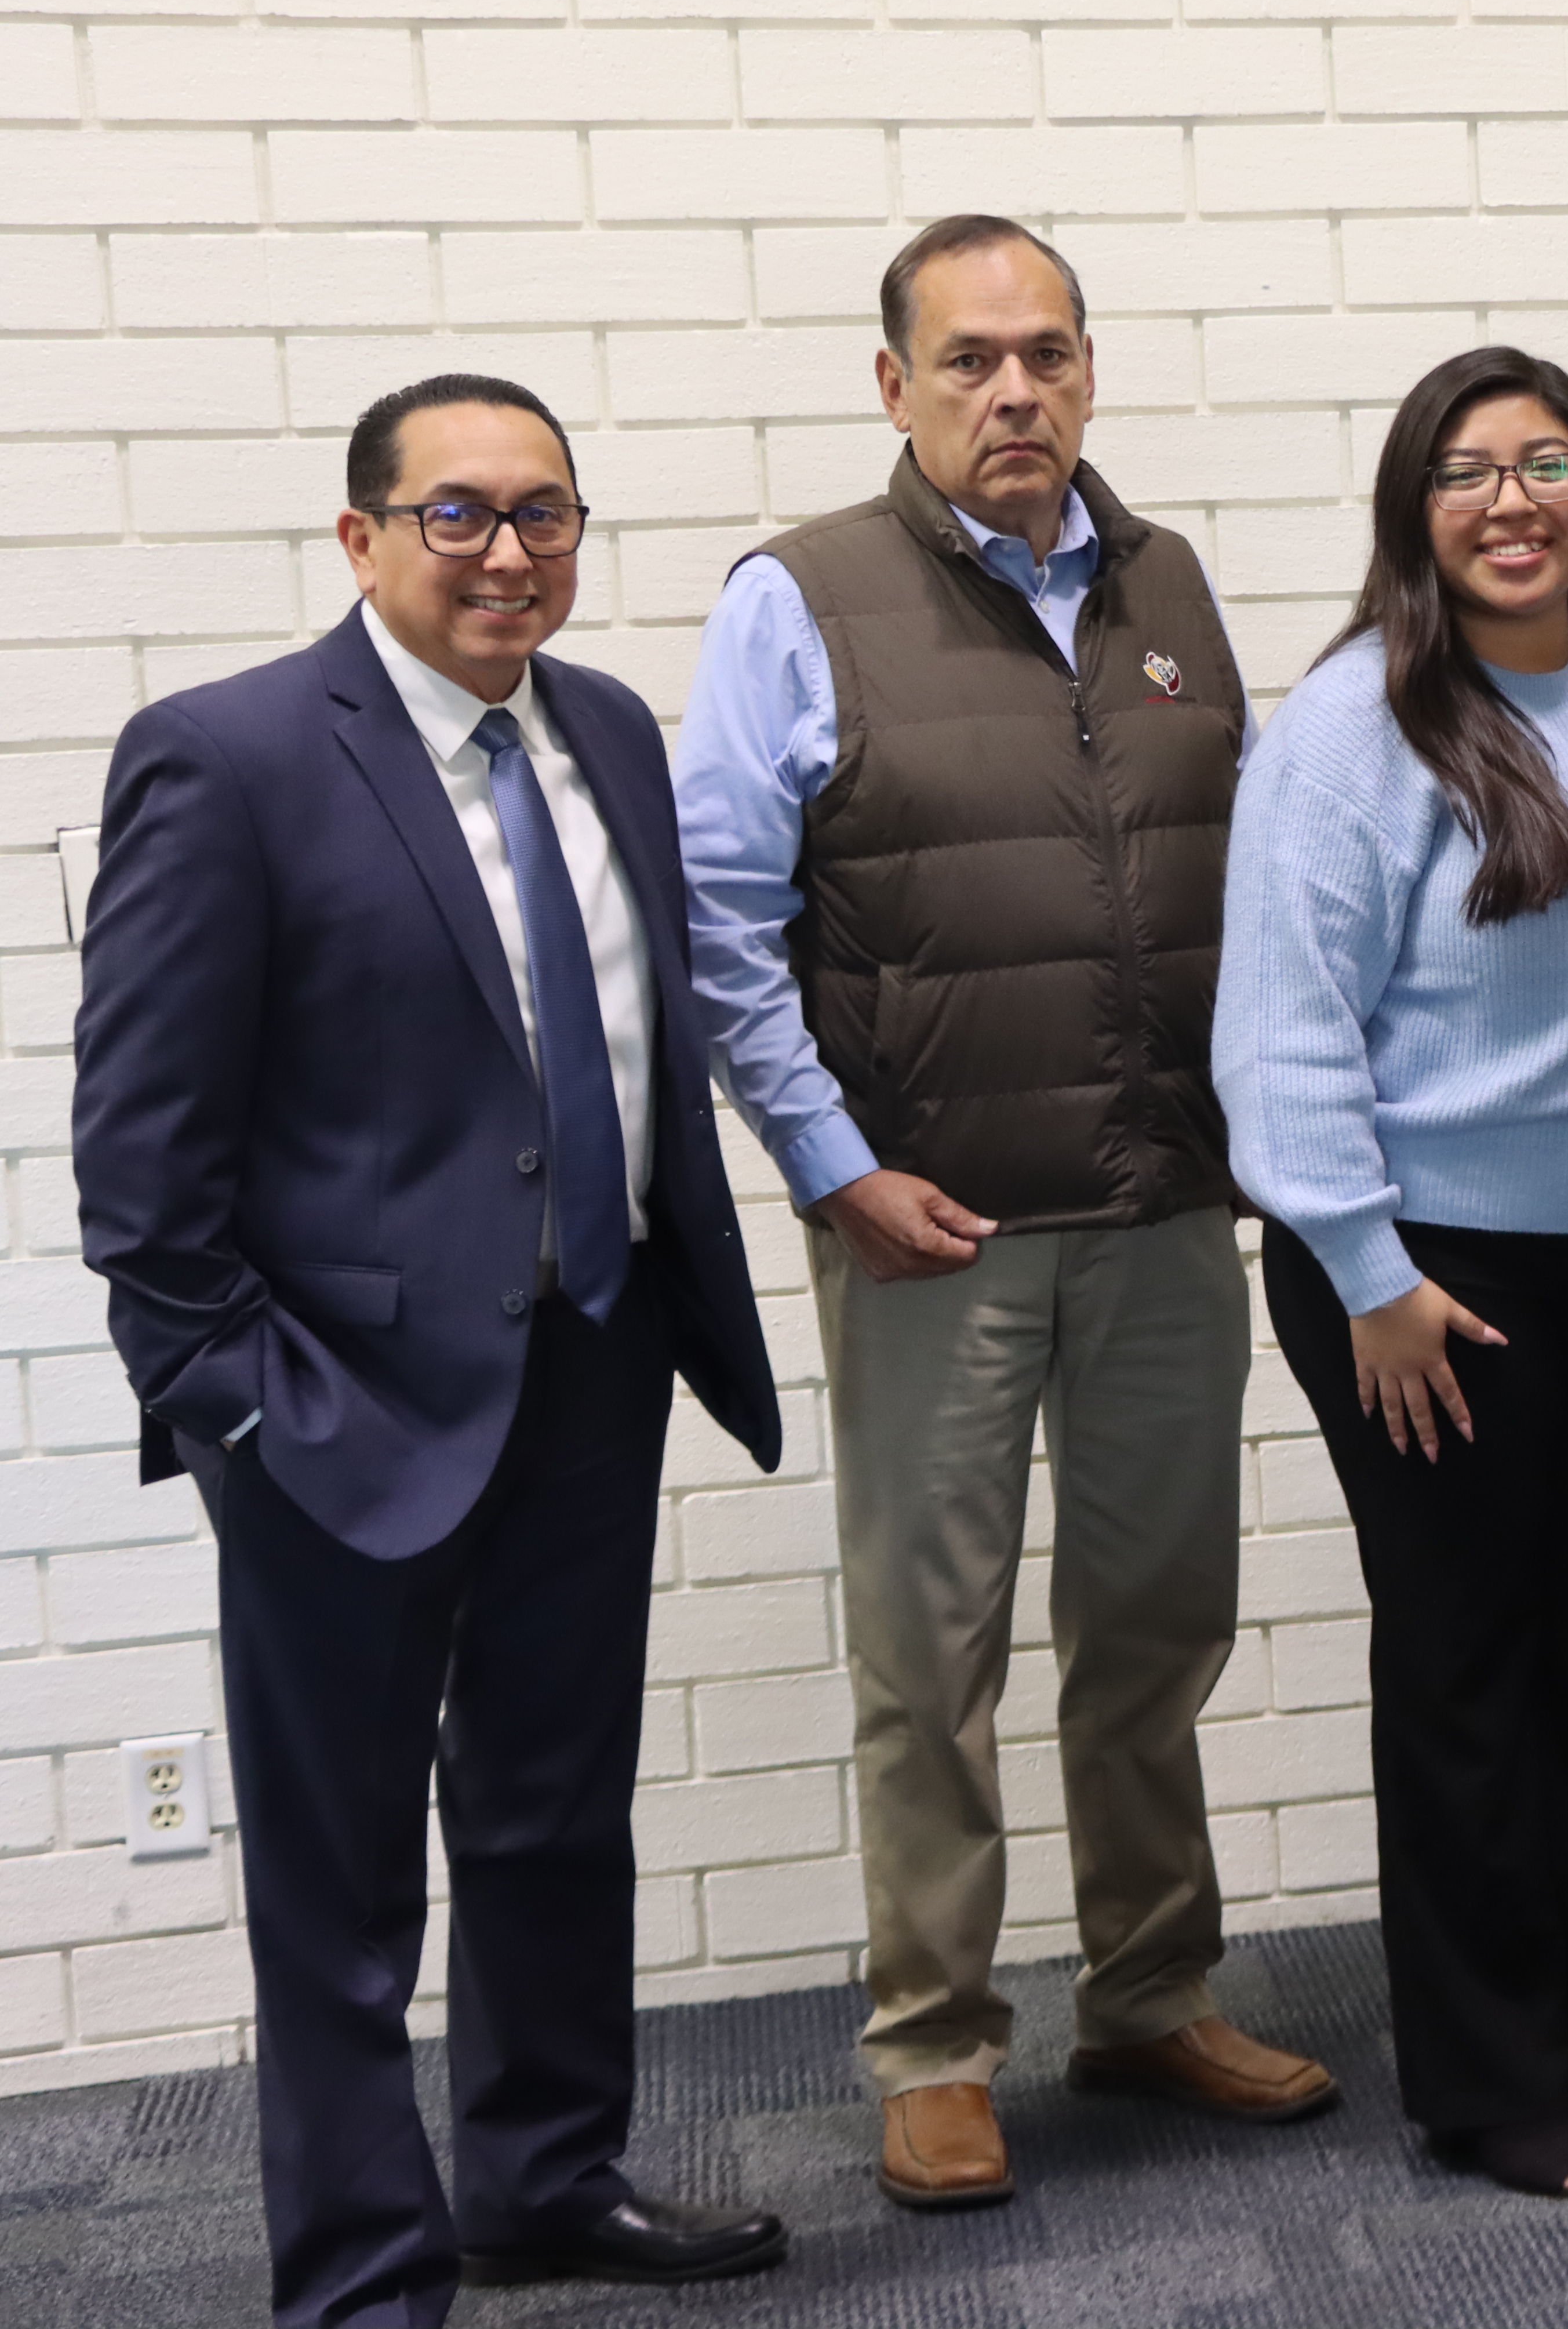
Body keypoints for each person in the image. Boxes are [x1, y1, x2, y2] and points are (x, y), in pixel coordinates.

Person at [76, 376, 791, 2322]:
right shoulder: (227, 760)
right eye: (456, 514)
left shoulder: (612, 730)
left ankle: (543, 2178)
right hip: (335, 1404)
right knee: (341, 1882)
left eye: (545, 513)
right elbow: (141, 1169)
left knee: (555, 1812)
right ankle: (364, 2273)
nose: (506, 552)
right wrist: (242, 1404)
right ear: (362, 537)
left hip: (591, 1355)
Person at [673, 216, 1331, 2212]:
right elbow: (720, 924)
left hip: (1162, 1209)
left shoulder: (1167, 582)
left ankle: (1150, 1995)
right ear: (896, 386)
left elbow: (1240, 870)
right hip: (930, 1229)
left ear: (1092, 371)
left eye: (1047, 353)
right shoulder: (801, 597)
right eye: (968, 360)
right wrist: (831, 1167)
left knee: (1157, 1628)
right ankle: (937, 2047)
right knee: (929, 1656)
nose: (1015, 391)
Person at [1216, 347, 1568, 2202]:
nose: (1513, 501)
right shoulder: (1350, 724)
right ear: (1412, 508)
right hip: (1421, 1273)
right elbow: (1280, 1033)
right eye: (1466, 471)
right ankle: (1491, 2078)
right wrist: (1366, 1268)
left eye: (1548, 461)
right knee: (1467, 1666)